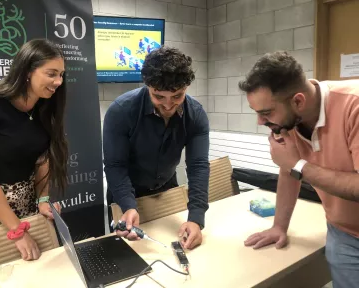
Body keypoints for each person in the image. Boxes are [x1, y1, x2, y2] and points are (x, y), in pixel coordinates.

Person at [239, 51, 359, 288]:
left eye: (266, 113)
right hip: (343, 232)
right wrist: (279, 226)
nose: (260, 122)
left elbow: (295, 167)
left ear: (298, 101)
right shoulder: (289, 119)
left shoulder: (353, 105)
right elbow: (288, 171)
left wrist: (298, 165)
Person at [0, 39, 68, 261]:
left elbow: (42, 159)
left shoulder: (44, 109)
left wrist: (42, 199)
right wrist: (16, 231)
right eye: (51, 74)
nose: (58, 81)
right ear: (27, 70)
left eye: (61, 74)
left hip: (25, 205)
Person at [103, 46, 210, 250]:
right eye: (159, 97)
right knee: (130, 253)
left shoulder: (195, 114)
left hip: (166, 190)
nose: (168, 105)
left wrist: (196, 218)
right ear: (147, 86)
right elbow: (115, 165)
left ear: (186, 88)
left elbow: (198, 166)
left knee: (173, 248)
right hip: (126, 192)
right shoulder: (121, 111)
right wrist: (128, 204)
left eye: (177, 96)